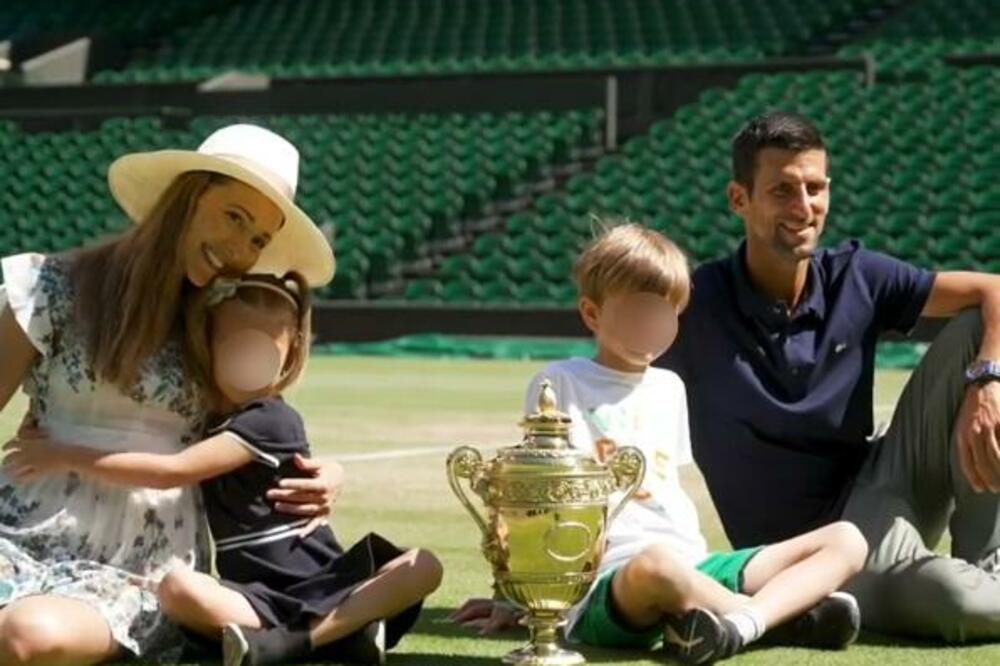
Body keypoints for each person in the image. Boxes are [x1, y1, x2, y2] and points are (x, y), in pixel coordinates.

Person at [0, 123, 341, 665]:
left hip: (138, 564)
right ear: (186, 197)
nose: (241, 249)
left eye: (258, 239)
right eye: (234, 216)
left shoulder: (217, 323)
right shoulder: (49, 286)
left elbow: (264, 426)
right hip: (15, 529)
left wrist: (328, 474)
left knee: (28, 636)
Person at [457, 223, 868, 664]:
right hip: (611, 579)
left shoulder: (670, 387)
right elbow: (533, 500)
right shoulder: (559, 383)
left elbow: (669, 486)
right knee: (656, 565)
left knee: (847, 540)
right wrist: (512, 595)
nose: (652, 324)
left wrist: (704, 568)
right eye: (638, 311)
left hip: (692, 563)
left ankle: (735, 622)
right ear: (592, 314)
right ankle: (773, 617)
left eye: (666, 312)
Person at [659, 110, 1000, 641]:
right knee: (958, 602)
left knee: (981, 327)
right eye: (782, 190)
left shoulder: (856, 275)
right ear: (738, 198)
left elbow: (994, 289)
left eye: (814, 188)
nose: (803, 207)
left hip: (883, 485)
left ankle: (991, 561)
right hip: (809, 556)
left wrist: (986, 382)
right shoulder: (695, 307)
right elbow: (613, 395)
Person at [5, 273, 443, 666]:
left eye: (265, 347)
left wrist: (63, 454)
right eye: (236, 345)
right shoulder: (203, 420)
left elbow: (172, 471)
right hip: (254, 596)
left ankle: (299, 642)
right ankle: (343, 636)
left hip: (317, 579)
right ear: (208, 345)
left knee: (424, 564)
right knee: (177, 588)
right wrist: (45, 423)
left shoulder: (271, 420)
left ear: (291, 351)